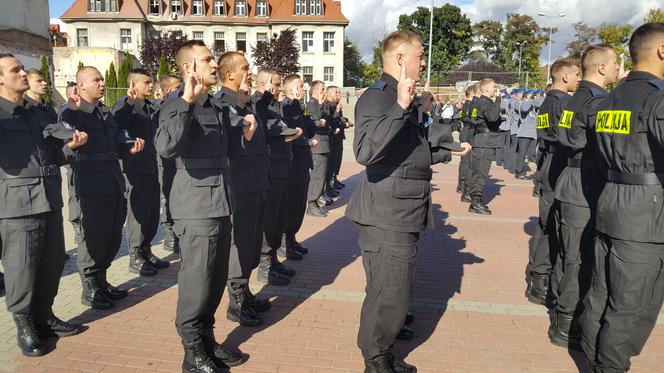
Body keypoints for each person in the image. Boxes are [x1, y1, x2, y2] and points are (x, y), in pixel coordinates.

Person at [345, 30, 470, 372]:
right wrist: (401, 106)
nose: (424, 62)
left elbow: (410, 153)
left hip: (403, 208)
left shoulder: (404, 98)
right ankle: (375, 360)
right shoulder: (379, 97)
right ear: (400, 59)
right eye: (419, 56)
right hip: (387, 211)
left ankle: (383, 354)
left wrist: (447, 151)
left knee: (393, 291)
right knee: (388, 293)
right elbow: (366, 151)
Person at [155, 40, 246, 372]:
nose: (214, 64)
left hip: (221, 201)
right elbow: (166, 146)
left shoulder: (217, 105)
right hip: (195, 205)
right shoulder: (176, 105)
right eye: (207, 59)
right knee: (197, 280)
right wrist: (186, 101)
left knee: (216, 276)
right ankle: (192, 350)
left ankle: (207, 339)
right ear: (188, 68)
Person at [581, 23, 664, 373]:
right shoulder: (657, 100)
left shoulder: (606, 100)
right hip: (645, 212)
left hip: (610, 200)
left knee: (601, 292)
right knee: (632, 304)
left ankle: (591, 357)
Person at [0, 53, 84, 356]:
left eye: (23, 69)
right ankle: (24, 323)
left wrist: (69, 148)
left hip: (49, 197)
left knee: (51, 265)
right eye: (15, 70)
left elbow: (53, 154)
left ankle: (45, 315)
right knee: (22, 268)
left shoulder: (38, 112)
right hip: (17, 204)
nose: (23, 73)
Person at [548, 45, 621, 350]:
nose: (620, 68)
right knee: (579, 260)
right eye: (617, 63)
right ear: (602, 69)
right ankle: (567, 324)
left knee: (568, 255)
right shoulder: (598, 101)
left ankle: (560, 311)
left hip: (570, 178)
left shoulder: (575, 96)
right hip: (585, 183)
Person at [61, 66, 145, 310]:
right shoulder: (71, 111)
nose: (101, 83)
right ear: (81, 86)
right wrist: (74, 112)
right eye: (96, 80)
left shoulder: (104, 112)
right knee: (93, 236)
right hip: (90, 184)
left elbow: (116, 137)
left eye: (101, 79)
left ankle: (102, 280)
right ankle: (90, 288)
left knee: (111, 234)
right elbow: (64, 137)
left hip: (112, 180)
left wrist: (127, 146)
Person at [213, 55, 272, 326]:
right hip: (239, 184)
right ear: (229, 74)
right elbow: (236, 141)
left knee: (251, 240)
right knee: (240, 241)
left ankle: (245, 290)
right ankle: (236, 301)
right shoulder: (222, 104)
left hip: (255, 182)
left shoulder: (239, 101)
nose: (249, 72)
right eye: (245, 68)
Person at [525, 58, 580, 305]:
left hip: (547, 162)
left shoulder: (547, 102)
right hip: (558, 165)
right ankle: (541, 281)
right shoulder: (564, 103)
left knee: (545, 225)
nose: (579, 79)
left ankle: (537, 278)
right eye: (577, 74)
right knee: (552, 229)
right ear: (565, 77)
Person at [112, 68, 169, 277]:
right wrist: (128, 103)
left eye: (151, 81)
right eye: (146, 82)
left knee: (152, 212)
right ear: (133, 85)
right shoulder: (124, 105)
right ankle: (135, 255)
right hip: (134, 168)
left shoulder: (148, 106)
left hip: (151, 165)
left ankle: (146, 250)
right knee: (137, 213)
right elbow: (116, 125)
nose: (150, 85)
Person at [252, 69, 303, 268]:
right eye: (275, 83)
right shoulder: (256, 103)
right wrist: (285, 134)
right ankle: (266, 263)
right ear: (263, 84)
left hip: (284, 165)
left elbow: (284, 126)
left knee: (280, 216)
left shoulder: (274, 105)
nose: (278, 87)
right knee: (269, 217)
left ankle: (272, 258)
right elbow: (268, 129)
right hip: (270, 168)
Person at [281, 75, 317, 258]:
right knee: (291, 204)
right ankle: (284, 243)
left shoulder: (298, 107)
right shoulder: (285, 107)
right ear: (291, 89)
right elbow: (289, 131)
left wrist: (303, 108)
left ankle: (292, 238)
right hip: (293, 162)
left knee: (298, 204)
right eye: (301, 87)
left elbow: (309, 130)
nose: (303, 90)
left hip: (303, 162)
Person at [155, 74, 182, 255]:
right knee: (168, 197)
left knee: (177, 197)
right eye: (178, 87)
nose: (181, 89)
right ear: (167, 91)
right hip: (165, 162)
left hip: (178, 161)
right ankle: (170, 235)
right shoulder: (162, 108)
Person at [466, 78, 502, 215]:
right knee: (480, 172)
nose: (496, 89)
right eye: (494, 87)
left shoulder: (480, 102)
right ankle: (476, 202)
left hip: (483, 140)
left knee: (479, 172)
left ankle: (475, 198)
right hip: (484, 142)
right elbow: (492, 117)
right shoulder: (484, 102)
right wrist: (498, 101)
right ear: (486, 89)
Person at [305, 80, 330, 217]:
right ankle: (311, 203)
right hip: (317, 144)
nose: (324, 92)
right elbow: (315, 121)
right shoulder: (312, 104)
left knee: (321, 176)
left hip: (324, 144)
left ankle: (315, 203)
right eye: (322, 89)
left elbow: (327, 119)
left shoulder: (320, 104)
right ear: (315, 90)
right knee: (317, 177)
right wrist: (321, 104)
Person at [512, 90, 539, 179]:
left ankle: (521, 170)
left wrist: (535, 99)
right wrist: (529, 100)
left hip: (532, 132)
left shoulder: (532, 103)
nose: (533, 96)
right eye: (531, 94)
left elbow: (539, 104)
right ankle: (518, 171)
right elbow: (524, 109)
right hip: (524, 132)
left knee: (529, 154)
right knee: (522, 153)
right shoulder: (519, 103)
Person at [457, 85, 476, 196]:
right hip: (467, 132)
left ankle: (462, 183)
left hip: (466, 131)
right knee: (466, 160)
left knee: (465, 160)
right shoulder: (469, 104)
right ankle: (462, 184)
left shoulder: (467, 104)